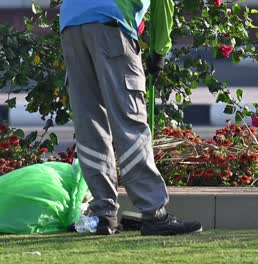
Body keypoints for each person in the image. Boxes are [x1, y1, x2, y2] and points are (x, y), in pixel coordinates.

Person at [60, 0, 202, 235]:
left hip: (71, 23)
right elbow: (163, 5)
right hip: (110, 22)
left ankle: (103, 214)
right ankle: (154, 212)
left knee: (90, 124)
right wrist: (159, 52)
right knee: (129, 122)